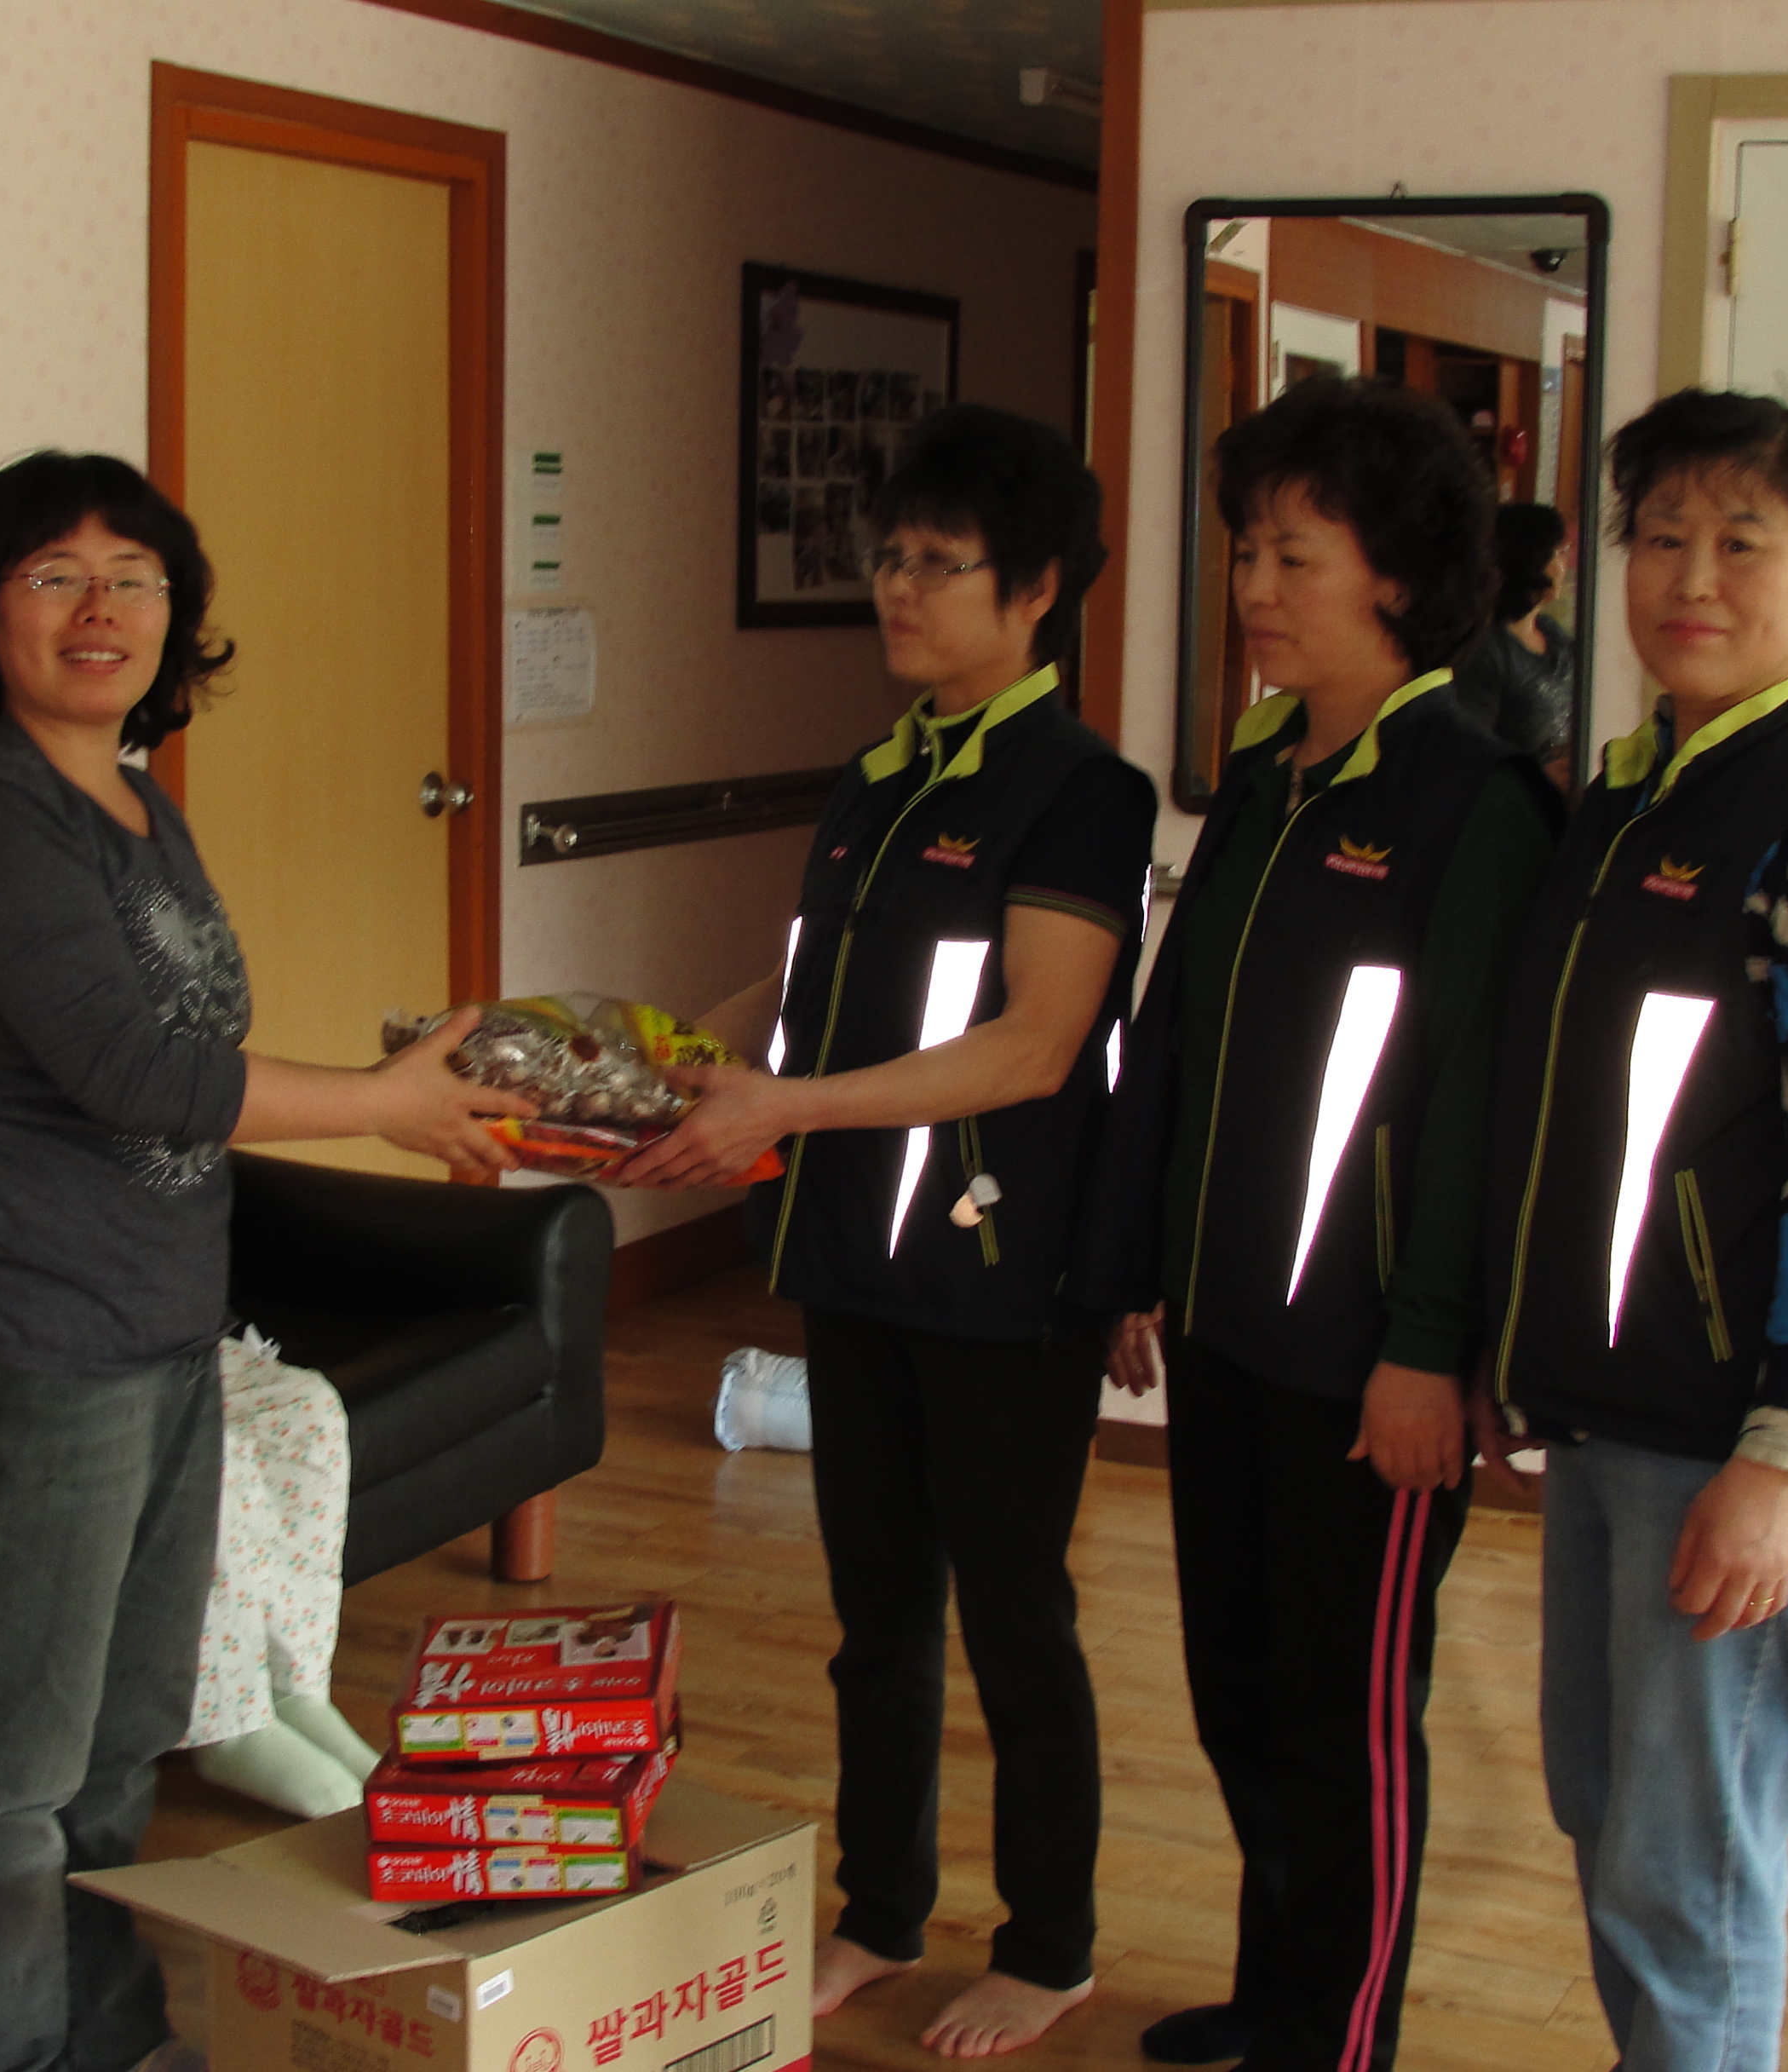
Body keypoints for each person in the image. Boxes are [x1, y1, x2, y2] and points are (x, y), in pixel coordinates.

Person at [0, 451, 523, 2072]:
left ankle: (104, 2038)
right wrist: (379, 1104)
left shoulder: (132, 798)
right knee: (8, 1779)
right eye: (54, 576)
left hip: (161, 1339)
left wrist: (403, 1093)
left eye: (135, 579)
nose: (100, 609)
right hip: (28, 1351)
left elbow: (189, 1050)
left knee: (117, 1750)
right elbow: (134, 1074)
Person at [621, 404, 1155, 2057]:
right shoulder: (880, 774)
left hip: (1000, 1274)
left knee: (1013, 1618)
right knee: (876, 1619)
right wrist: (661, 1056)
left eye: (942, 563)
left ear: (1037, 589)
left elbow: (1034, 1043)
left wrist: (781, 1107)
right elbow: (805, 985)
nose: (899, 589)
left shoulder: (1081, 792)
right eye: (891, 558)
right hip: (853, 1252)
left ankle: (1049, 1944)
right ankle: (879, 1910)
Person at [1070, 377, 1561, 2072]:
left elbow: (1476, 1105)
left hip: (1367, 1367)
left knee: (1346, 1725)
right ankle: (1279, 1992)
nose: (1255, 588)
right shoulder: (1267, 783)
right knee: (1242, 1691)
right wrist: (1133, 1264)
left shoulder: (1472, 804)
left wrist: (1429, 1349)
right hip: (1227, 1331)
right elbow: (1175, 1044)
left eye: (1295, 554)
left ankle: (1339, 2039)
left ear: (1399, 576)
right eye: (1245, 552)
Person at [1480, 390, 1788, 2072]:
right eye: (1660, 536)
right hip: (1616, 1400)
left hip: (1747, 1425)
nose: (1691, 576)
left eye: (1739, 540)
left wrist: (1784, 1449)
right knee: (1609, 1812)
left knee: (1690, 1867)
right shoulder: (1626, 797)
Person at [0, 1039, 379, 1820]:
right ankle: (230, 1722)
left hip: (106, 1349)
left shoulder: (64, 1068)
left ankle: (296, 1687)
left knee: (302, 1410)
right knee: (195, 1446)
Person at [1445, 501, 1576, 782]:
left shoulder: (1554, 635)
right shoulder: (1487, 651)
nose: (1565, 563)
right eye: (1558, 552)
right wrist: (1540, 779)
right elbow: (1465, 761)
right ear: (1532, 561)